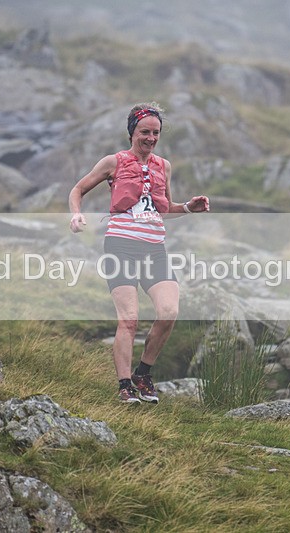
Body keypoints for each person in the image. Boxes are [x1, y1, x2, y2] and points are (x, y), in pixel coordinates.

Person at [69, 102, 210, 404]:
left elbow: (165, 210)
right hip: (120, 246)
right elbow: (78, 189)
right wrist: (76, 215)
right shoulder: (113, 162)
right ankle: (124, 387)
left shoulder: (164, 166)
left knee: (170, 313)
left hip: (154, 249)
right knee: (129, 320)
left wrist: (187, 208)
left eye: (156, 133)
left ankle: (143, 374)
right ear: (132, 131)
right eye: (145, 131)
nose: (150, 138)